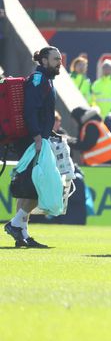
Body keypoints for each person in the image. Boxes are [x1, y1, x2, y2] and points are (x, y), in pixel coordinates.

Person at [4, 46, 62, 248]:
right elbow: (30, 110)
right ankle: (15, 224)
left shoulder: (45, 80)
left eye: (59, 59)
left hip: (33, 138)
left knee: (28, 188)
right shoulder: (39, 80)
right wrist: (37, 136)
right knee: (39, 185)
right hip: (32, 139)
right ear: (44, 61)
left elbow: (40, 112)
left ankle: (22, 233)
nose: (59, 62)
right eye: (55, 59)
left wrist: (47, 131)